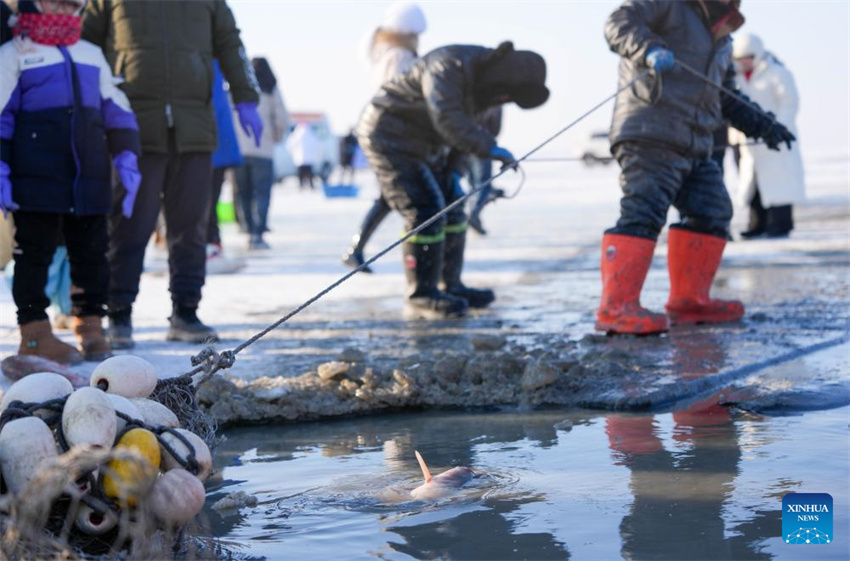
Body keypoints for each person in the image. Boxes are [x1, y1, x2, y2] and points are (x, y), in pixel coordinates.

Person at [596, 0, 797, 335]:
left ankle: (689, 302)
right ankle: (616, 307)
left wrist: (766, 125)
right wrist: (649, 49)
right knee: (643, 211)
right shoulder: (667, 5)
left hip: (696, 142)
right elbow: (618, 22)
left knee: (713, 211)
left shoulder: (723, 37)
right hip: (650, 130)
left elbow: (726, 96)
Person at [82, 0, 263, 348]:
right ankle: (118, 313)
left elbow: (230, 43)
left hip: (194, 127)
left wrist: (246, 97)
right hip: (130, 126)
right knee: (128, 226)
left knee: (191, 227)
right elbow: (86, 46)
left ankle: (185, 311)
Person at [356, 41, 549, 319]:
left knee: (454, 204)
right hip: (388, 134)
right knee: (424, 208)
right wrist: (488, 147)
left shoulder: (488, 91)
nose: (504, 99)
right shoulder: (450, 64)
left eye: (509, 98)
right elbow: (446, 116)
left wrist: (454, 172)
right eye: (506, 94)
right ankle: (421, 293)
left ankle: (450, 285)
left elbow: (461, 139)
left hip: (426, 144)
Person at [1, 0, 141, 363]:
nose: (64, 10)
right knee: (34, 255)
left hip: (90, 178)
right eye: (55, 2)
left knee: (92, 256)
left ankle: (91, 327)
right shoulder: (15, 52)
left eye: (71, 4)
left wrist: (126, 153)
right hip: (36, 179)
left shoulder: (91, 53)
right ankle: (33, 333)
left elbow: (116, 106)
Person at [341, 1, 426, 273]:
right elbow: (399, 98)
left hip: (389, 136)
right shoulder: (398, 56)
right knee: (405, 200)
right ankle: (360, 250)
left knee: (388, 197)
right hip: (391, 137)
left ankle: (356, 249)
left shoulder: (389, 53)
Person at [731, 33, 804, 239]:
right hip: (747, 141)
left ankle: (780, 224)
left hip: (775, 138)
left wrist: (778, 128)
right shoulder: (733, 76)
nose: (743, 62)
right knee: (751, 183)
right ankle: (757, 224)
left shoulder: (777, 73)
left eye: (747, 57)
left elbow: (790, 103)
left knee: (778, 182)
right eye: (739, 58)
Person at [233, 56, 289, 250]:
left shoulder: (238, 90)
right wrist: (275, 137)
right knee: (262, 194)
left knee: (244, 193)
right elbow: (282, 118)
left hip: (240, 150)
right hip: (263, 151)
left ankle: (248, 232)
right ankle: (258, 234)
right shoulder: (272, 91)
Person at [207, 60, 244, 263]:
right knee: (207, 200)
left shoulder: (213, 64)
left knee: (207, 201)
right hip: (210, 146)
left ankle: (211, 241)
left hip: (212, 147)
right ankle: (210, 241)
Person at [465, 106, 505, 236]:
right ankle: (474, 216)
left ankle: (474, 217)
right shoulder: (496, 102)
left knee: (474, 185)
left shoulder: (470, 93)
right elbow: (495, 128)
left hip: (465, 144)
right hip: (483, 146)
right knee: (484, 185)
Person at [286, 122, 321, 191]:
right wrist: (316, 155)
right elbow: (317, 145)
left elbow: (290, 145)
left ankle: (301, 186)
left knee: (301, 174)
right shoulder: (311, 134)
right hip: (309, 159)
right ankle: (311, 185)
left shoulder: (296, 135)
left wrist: (293, 154)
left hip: (299, 158)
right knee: (309, 173)